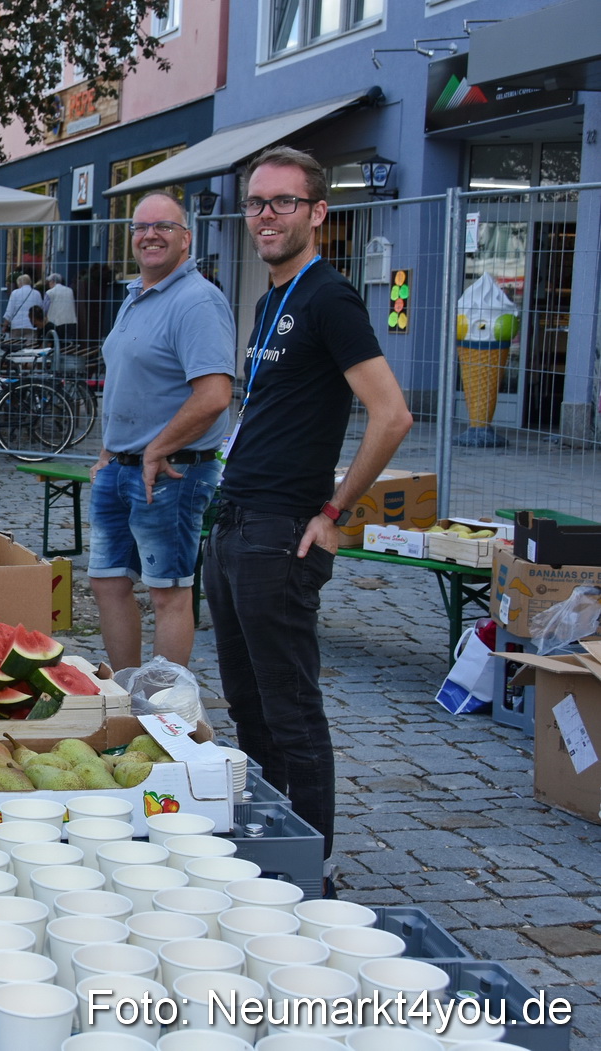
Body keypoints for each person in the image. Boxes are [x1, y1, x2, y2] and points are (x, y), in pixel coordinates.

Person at [207, 147, 413, 872]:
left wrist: (335, 511)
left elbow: (391, 415)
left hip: (282, 531)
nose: (266, 215)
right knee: (247, 705)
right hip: (233, 522)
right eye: (256, 202)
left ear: (317, 213)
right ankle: (270, 847)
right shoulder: (270, 301)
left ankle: (314, 867)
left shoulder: (331, 297)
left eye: (283, 202)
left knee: (291, 708)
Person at [88, 192, 235, 675]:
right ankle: (129, 694)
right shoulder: (136, 295)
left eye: (164, 227)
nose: (150, 235)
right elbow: (130, 381)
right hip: (122, 465)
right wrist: (109, 451)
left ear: (186, 238)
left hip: (172, 471)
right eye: (140, 227)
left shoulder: (197, 301)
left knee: (168, 592)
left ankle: (163, 711)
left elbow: (214, 395)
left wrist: (156, 448)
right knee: (108, 583)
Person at [44, 272, 77, 338]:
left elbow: (45, 308)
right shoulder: (70, 290)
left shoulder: (49, 292)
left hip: (56, 322)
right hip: (70, 320)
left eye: (49, 282)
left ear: (52, 281)